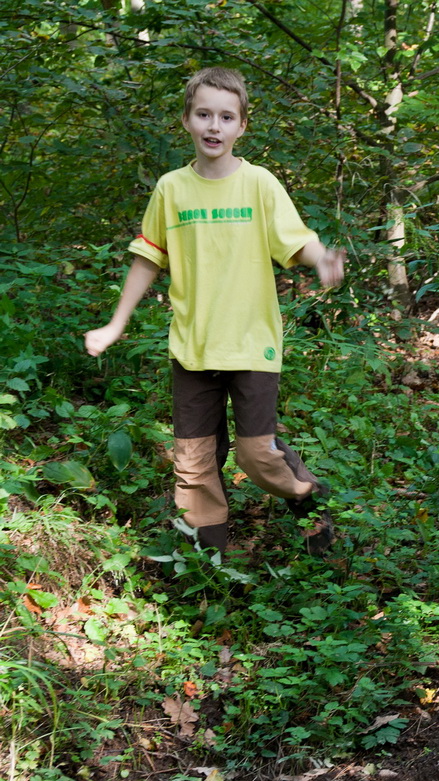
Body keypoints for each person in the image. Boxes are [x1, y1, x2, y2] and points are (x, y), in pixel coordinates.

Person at [84, 67, 346, 556]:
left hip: (251, 342)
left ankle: (307, 499)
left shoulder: (259, 184)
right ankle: (208, 564)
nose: (214, 126)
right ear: (186, 119)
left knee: (257, 453)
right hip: (193, 346)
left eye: (226, 117)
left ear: (242, 126)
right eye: (204, 114)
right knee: (194, 462)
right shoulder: (171, 189)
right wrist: (115, 323)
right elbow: (147, 258)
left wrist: (321, 258)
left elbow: (296, 240)